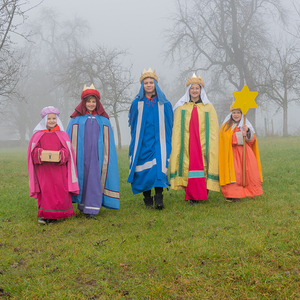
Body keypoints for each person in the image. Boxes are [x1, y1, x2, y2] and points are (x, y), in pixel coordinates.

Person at [66, 84, 119, 218]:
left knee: (94, 180)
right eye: (88, 101)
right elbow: (69, 140)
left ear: (97, 103)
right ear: (84, 103)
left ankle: (92, 209)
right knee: (82, 178)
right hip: (81, 157)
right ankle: (83, 205)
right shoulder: (76, 120)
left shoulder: (103, 120)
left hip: (97, 157)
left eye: (93, 101)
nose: (91, 104)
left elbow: (108, 143)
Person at [169, 73, 220, 204]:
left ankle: (203, 193)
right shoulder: (181, 107)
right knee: (188, 166)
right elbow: (177, 128)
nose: (194, 91)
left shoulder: (209, 108)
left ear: (201, 90)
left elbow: (213, 129)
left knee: (204, 165)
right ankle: (191, 195)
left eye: (197, 88)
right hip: (188, 143)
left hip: (203, 143)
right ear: (188, 90)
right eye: (192, 88)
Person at [128, 68, 173, 209]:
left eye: (151, 82)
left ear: (155, 85)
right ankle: (147, 199)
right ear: (142, 85)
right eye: (146, 83)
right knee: (144, 171)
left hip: (159, 142)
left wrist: (167, 140)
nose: (148, 85)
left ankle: (159, 198)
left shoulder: (164, 103)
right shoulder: (136, 103)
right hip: (142, 143)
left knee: (158, 169)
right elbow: (133, 124)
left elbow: (169, 122)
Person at [27, 106, 79, 224]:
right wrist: (40, 153)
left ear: (57, 120)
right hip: (44, 170)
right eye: (49, 118)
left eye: (54, 118)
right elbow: (33, 153)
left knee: (60, 190)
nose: (51, 121)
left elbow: (68, 152)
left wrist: (61, 155)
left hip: (59, 169)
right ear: (44, 120)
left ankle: (58, 214)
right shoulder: (38, 135)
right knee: (46, 191)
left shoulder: (62, 135)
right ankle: (46, 214)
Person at [219, 100, 263, 201]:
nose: (236, 115)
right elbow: (226, 139)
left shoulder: (245, 124)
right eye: (234, 112)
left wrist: (247, 131)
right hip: (232, 154)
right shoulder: (226, 126)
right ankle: (232, 195)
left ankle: (244, 192)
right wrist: (239, 135)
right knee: (235, 173)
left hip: (245, 154)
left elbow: (252, 140)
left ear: (241, 114)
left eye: (238, 113)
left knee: (247, 172)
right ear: (231, 114)